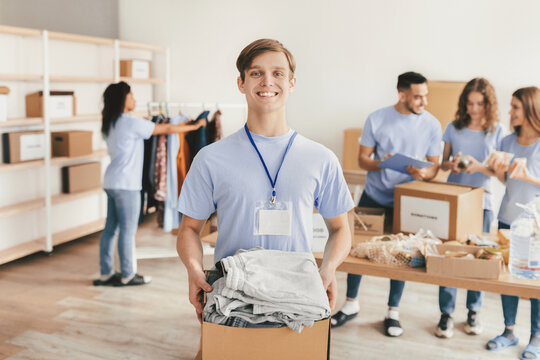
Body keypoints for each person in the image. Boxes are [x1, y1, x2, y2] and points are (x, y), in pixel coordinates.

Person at [176, 39, 354, 324]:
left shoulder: (321, 158)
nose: (267, 81)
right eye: (256, 73)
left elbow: (340, 228)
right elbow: (188, 229)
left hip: (299, 300)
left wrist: (329, 269)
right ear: (241, 83)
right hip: (232, 298)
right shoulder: (211, 158)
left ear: (292, 83)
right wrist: (194, 269)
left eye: (278, 73)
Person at [331, 72, 442, 337]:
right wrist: (384, 162)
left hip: (407, 200)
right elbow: (363, 160)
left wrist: (424, 174)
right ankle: (351, 303)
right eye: (418, 96)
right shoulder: (377, 118)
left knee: (402, 256)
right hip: (374, 196)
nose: (423, 101)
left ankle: (393, 312)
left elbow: (434, 166)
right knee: (358, 249)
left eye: (425, 95)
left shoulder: (432, 124)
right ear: (402, 94)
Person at [94, 81, 205, 287]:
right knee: (127, 231)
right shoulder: (131, 123)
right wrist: (195, 126)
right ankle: (128, 274)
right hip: (127, 185)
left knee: (110, 229)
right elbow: (168, 128)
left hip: (111, 181)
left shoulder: (110, 122)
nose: (134, 99)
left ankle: (105, 273)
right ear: (123, 99)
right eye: (131, 95)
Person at [435, 77, 505, 338]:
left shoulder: (497, 130)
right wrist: (451, 165)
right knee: (449, 257)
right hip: (454, 198)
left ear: (489, 104)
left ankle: (473, 311)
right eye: (470, 103)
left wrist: (479, 166)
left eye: (479, 104)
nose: (474, 109)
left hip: (483, 201)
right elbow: (442, 164)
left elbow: (499, 172)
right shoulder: (453, 127)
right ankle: (446, 314)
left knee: (479, 257)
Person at [486, 86, 540, 360]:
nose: (511, 112)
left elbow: (530, 181)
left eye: (515, 107)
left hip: (535, 227)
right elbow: (506, 180)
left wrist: (530, 176)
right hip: (506, 217)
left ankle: (536, 338)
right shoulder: (507, 141)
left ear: (531, 109)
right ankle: (508, 331)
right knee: (507, 278)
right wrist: (495, 171)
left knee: (534, 284)